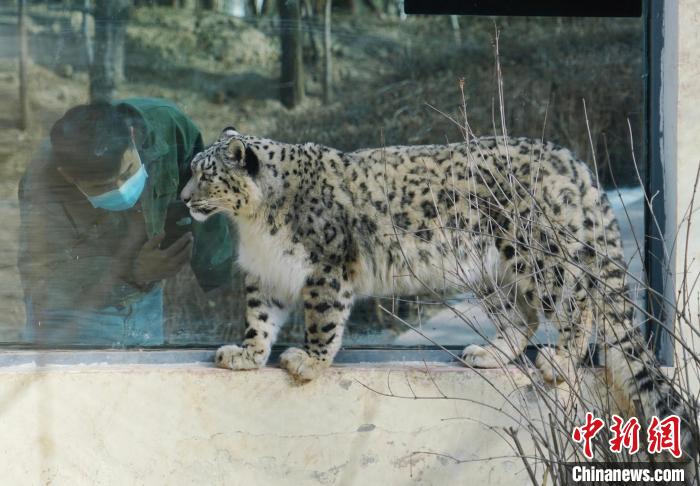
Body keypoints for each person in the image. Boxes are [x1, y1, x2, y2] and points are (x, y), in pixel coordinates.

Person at [18, 98, 233, 346]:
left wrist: (218, 279)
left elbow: (206, 193)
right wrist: (133, 271)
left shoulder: (168, 126)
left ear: (132, 137)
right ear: (67, 176)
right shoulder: (43, 181)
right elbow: (42, 277)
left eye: (127, 172)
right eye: (102, 187)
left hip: (148, 301)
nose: (121, 191)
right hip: (74, 315)